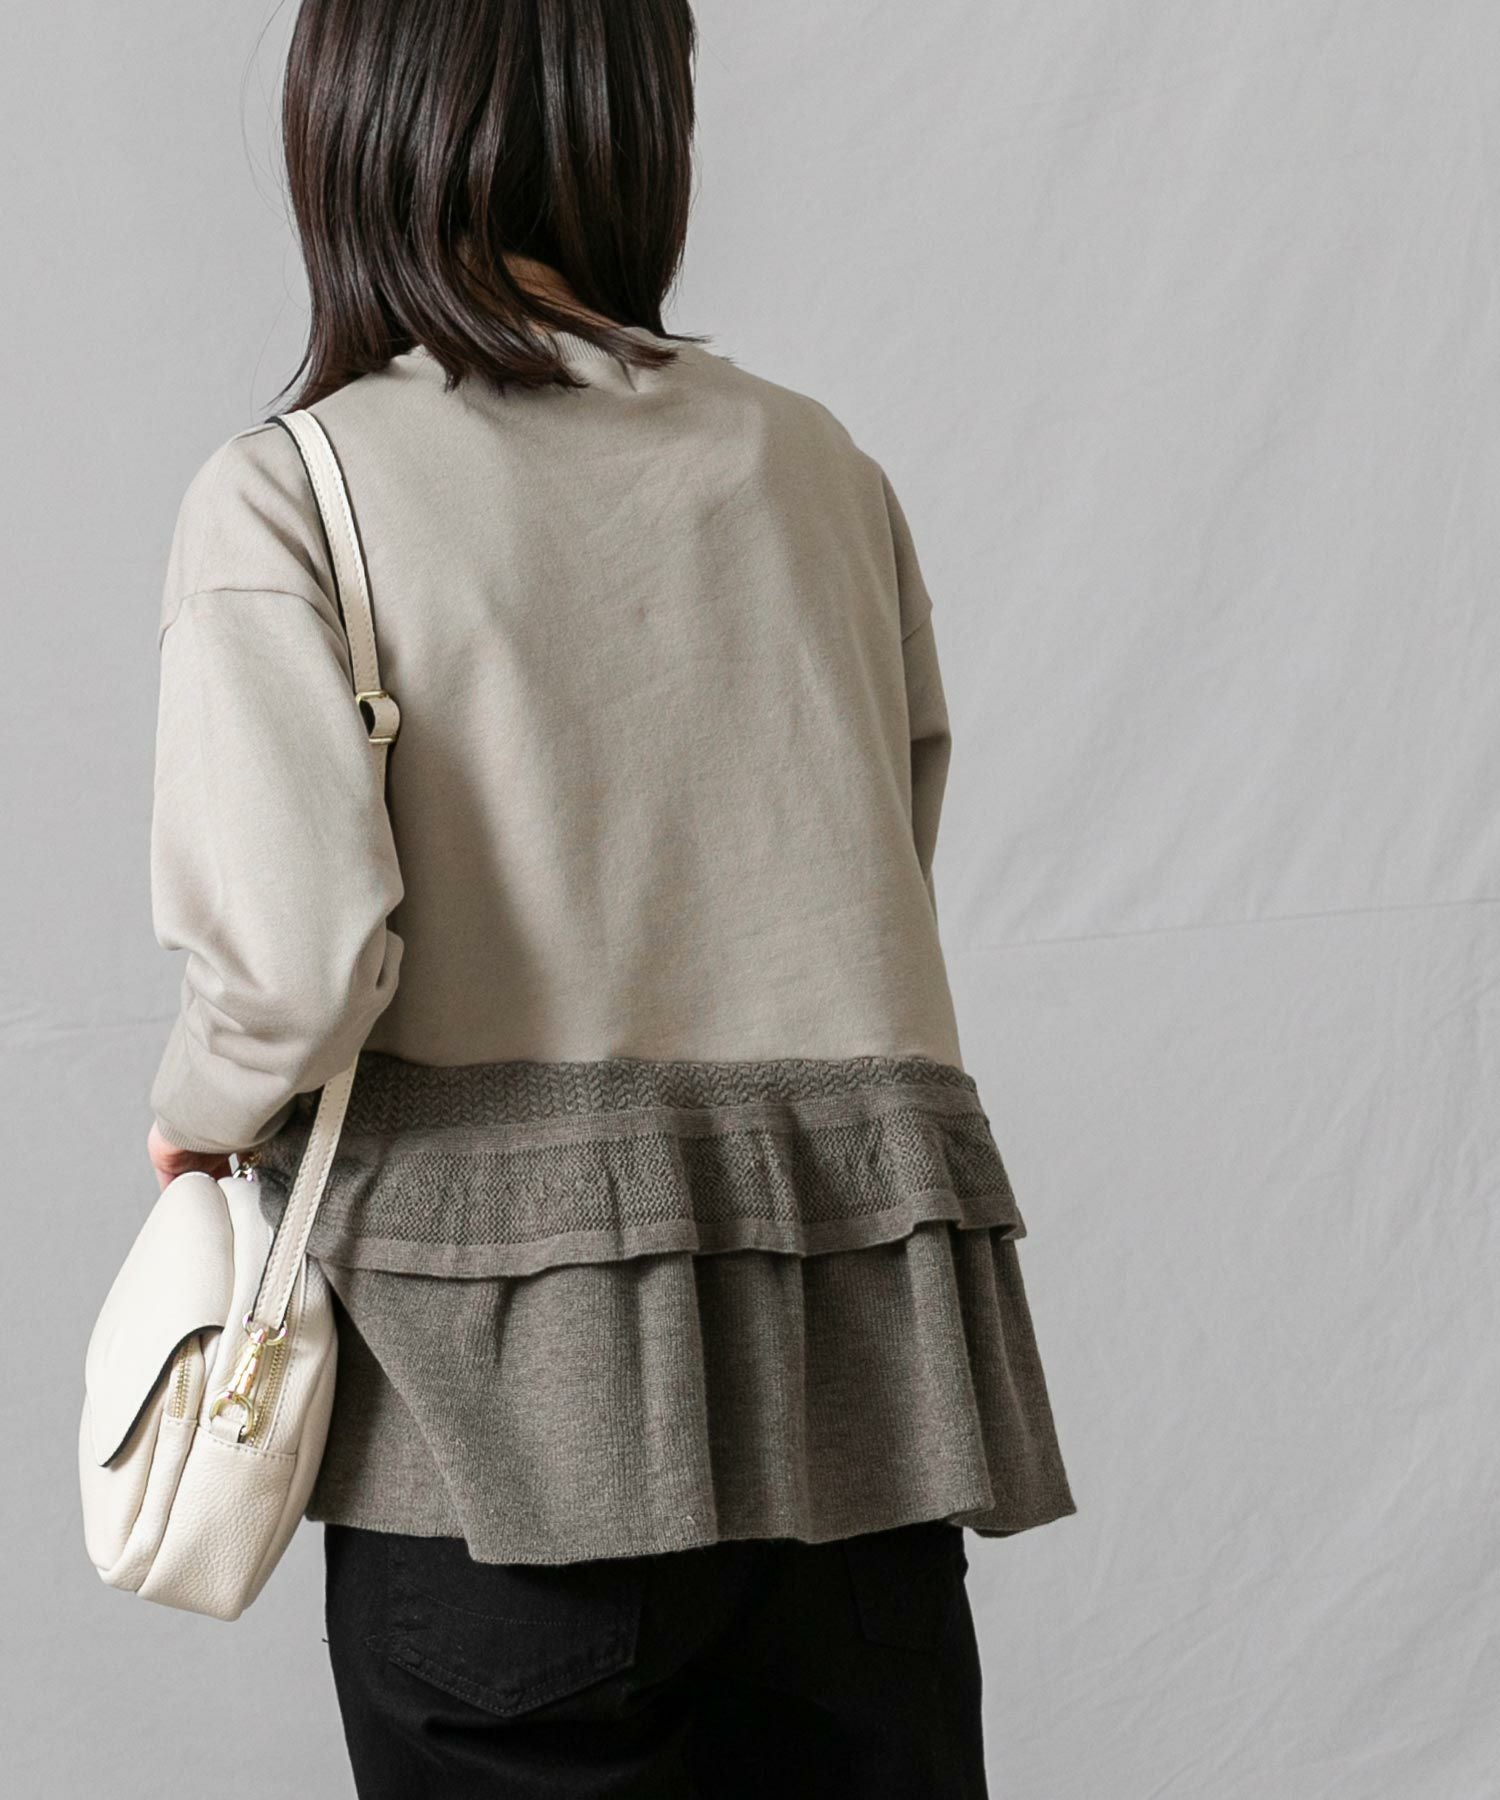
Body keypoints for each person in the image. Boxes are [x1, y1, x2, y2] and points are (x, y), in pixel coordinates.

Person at [143, 1, 1076, 1793]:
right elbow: (880, 845)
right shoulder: (820, 468)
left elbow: (294, 969)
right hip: (851, 1410)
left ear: (352, 122)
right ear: (645, 124)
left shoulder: (298, 491)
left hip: (502, 1434)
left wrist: (196, 1120)